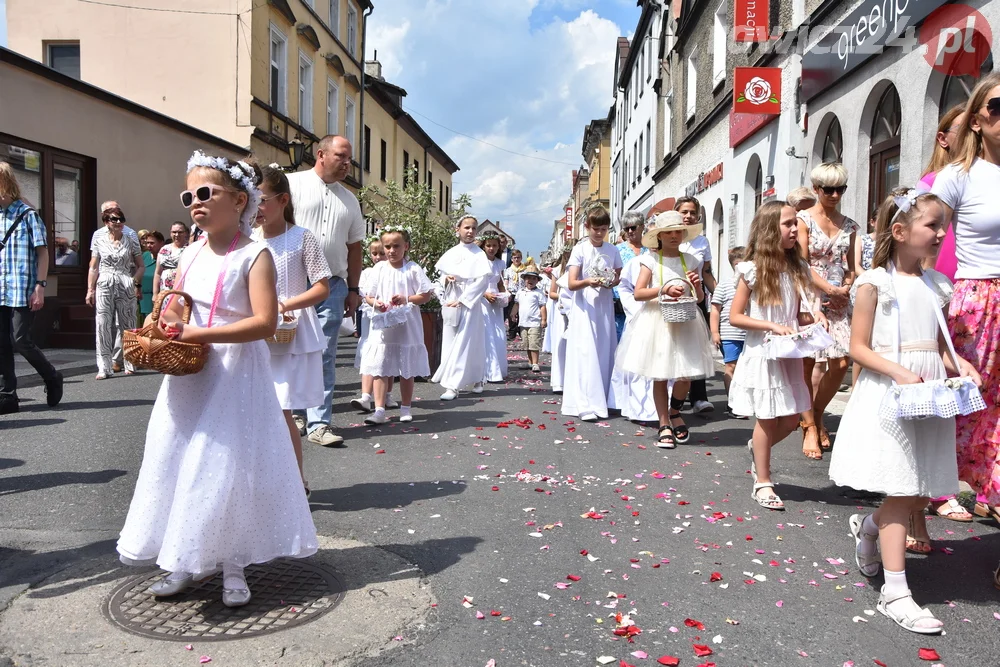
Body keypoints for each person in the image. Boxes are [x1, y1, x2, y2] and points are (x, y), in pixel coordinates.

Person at [117, 151, 317, 608]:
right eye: (189, 195)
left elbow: (265, 322)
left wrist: (197, 331)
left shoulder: (255, 254)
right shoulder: (187, 254)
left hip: (235, 373)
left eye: (206, 193)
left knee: (225, 466)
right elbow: (178, 306)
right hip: (191, 373)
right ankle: (183, 559)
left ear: (240, 200)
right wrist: (167, 321)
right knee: (180, 458)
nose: (195, 203)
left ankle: (233, 563)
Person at [829, 187, 979, 634]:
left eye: (943, 228)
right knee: (900, 485)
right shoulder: (875, 283)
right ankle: (896, 591)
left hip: (929, 390)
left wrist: (960, 363)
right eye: (932, 226)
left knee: (918, 489)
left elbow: (936, 344)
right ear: (899, 231)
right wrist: (896, 371)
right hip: (892, 392)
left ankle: (870, 528)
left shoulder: (937, 285)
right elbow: (857, 347)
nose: (940, 235)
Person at [932, 73, 1000, 578]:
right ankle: (898, 517)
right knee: (949, 416)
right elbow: (911, 234)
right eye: (997, 108)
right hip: (976, 308)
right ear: (977, 118)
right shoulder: (960, 174)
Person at [730, 201, 819, 510]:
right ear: (770, 230)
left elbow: (799, 313)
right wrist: (770, 324)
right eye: (788, 224)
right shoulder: (752, 270)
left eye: (796, 223)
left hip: (790, 351)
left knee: (792, 417)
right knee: (767, 417)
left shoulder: (798, 267)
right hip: (764, 351)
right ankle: (763, 482)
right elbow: (736, 316)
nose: (795, 229)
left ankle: (758, 449)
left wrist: (812, 321)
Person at [252, 164, 332, 495]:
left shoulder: (301, 238)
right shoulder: (248, 239)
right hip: (254, 332)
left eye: (261, 200)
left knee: (281, 408)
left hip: (288, 330)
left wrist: (285, 304)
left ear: (282, 200)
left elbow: (322, 287)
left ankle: (296, 482)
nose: (254, 209)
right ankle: (262, 482)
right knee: (254, 409)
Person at [288, 135, 365, 447]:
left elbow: (355, 248)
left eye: (349, 159)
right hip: (291, 281)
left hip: (332, 285)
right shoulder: (291, 186)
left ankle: (319, 424)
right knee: (287, 349)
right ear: (320, 154)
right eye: (341, 157)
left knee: (323, 353)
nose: (347, 164)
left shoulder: (350, 200)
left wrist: (354, 288)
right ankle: (291, 412)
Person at [616, 211, 715, 447]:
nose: (673, 235)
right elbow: (639, 293)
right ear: (659, 236)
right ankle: (663, 422)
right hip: (658, 321)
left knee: (685, 374)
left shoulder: (691, 260)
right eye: (668, 232)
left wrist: (697, 285)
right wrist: (663, 289)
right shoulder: (650, 261)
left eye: (677, 231)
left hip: (685, 321)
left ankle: (674, 410)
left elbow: (699, 297)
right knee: (660, 374)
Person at [796, 162, 858, 459]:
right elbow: (802, 263)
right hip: (809, 297)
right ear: (817, 189)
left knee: (842, 362)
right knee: (808, 364)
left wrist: (847, 284)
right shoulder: (802, 220)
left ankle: (817, 414)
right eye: (828, 189)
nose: (835, 195)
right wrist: (828, 289)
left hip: (839, 302)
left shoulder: (850, 225)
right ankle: (809, 426)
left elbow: (854, 265)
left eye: (840, 189)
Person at [0, 162, 62, 414]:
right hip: (1, 288)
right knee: (1, 343)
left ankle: (52, 377)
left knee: (20, 340)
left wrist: (40, 286)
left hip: (23, 289)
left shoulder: (28, 215)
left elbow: (43, 254)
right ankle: (7, 395)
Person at [361, 226, 435, 424]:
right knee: (379, 366)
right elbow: (368, 295)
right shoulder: (379, 269)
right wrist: (377, 303)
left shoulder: (412, 269)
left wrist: (407, 298)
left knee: (406, 367)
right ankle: (379, 409)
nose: (391, 251)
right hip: (384, 324)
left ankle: (405, 407)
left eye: (396, 246)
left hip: (407, 325)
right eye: (387, 246)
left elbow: (426, 294)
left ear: (406, 247)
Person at [562, 207, 622, 422]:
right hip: (585, 307)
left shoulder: (612, 250)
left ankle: (604, 397)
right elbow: (572, 282)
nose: (599, 233)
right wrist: (588, 281)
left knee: (604, 349)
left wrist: (611, 282)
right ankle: (584, 401)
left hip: (603, 306)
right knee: (586, 351)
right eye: (595, 229)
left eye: (603, 229)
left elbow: (617, 276)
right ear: (587, 227)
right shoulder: (580, 249)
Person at [432, 215, 493, 400]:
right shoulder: (450, 253)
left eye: (474, 228)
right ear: (457, 229)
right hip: (452, 297)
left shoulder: (479, 254)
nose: (470, 231)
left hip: (469, 302)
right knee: (450, 340)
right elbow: (438, 276)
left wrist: (464, 299)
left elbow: (482, 281)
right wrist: (446, 279)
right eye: (466, 227)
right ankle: (457, 379)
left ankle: (455, 384)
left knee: (468, 340)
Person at [86, 206, 143, 379]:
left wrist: (134, 281)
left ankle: (130, 361)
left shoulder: (131, 240)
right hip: (104, 281)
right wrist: (90, 289)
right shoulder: (99, 240)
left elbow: (141, 265)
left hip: (125, 280)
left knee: (129, 324)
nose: (118, 222)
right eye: (114, 219)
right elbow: (93, 267)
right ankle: (104, 367)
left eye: (121, 219)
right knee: (103, 324)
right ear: (106, 222)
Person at [673, 196, 718, 415]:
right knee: (673, 348)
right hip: (671, 300)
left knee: (697, 349)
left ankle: (699, 397)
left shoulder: (702, 242)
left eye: (692, 213)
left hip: (696, 300)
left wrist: (720, 296)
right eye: (684, 212)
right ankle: (673, 398)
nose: (689, 216)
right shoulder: (669, 238)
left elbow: (706, 273)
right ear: (676, 213)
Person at [610, 253, 657, 423]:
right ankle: (638, 407)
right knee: (637, 363)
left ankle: (661, 407)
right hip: (639, 317)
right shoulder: (638, 261)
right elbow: (625, 288)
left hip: (663, 318)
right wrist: (635, 310)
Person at [351, 237, 396, 412]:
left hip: (387, 316)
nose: (377, 257)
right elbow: (363, 292)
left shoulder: (391, 271)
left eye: (380, 253)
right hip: (370, 316)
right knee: (369, 355)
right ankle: (365, 396)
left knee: (388, 355)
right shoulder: (368, 272)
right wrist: (371, 301)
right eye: (374, 253)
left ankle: (387, 394)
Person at [923, 105, 966, 281]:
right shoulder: (930, 184)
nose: (973, 137)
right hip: (943, 280)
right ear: (943, 139)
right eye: (963, 130)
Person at [711, 246, 748, 419]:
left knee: (746, 368)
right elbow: (715, 309)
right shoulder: (724, 285)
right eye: (739, 264)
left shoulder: (753, 283)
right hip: (730, 334)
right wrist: (715, 332)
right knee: (731, 367)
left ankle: (745, 401)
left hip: (749, 334)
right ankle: (732, 403)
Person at [479, 231, 509, 383]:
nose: (491, 248)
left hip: (496, 300)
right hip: (482, 299)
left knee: (498, 333)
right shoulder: (478, 261)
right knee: (487, 333)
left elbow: (500, 282)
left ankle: (497, 368)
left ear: (499, 247)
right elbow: (473, 283)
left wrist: (504, 294)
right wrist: (485, 294)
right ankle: (485, 370)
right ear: (483, 246)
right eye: (488, 245)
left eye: (494, 246)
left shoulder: (500, 263)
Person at [614, 211, 647, 340]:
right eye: (626, 228)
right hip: (622, 303)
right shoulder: (617, 250)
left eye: (633, 227)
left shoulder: (650, 249)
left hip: (644, 301)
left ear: (642, 227)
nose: (630, 231)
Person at [548, 243, 573, 394]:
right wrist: (563, 296)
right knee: (560, 344)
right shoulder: (558, 271)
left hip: (575, 309)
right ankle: (559, 381)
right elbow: (552, 293)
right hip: (562, 310)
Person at [511, 269, 547, 372]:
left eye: (533, 279)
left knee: (534, 343)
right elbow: (517, 304)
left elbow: (542, 307)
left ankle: (535, 363)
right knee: (527, 343)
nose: (530, 280)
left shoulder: (538, 293)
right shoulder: (520, 292)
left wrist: (543, 319)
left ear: (537, 281)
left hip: (534, 322)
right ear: (524, 280)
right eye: (528, 278)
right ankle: (530, 362)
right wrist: (513, 313)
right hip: (523, 322)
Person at [154, 222, 190, 299]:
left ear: (185, 233)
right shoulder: (164, 249)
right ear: (170, 233)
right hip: (165, 291)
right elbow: (157, 273)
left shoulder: (190, 249)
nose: (177, 235)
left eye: (180, 232)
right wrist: (155, 293)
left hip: (182, 291)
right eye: (174, 232)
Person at [139, 231, 164, 322]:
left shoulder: (166, 257)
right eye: (147, 243)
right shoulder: (145, 256)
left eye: (152, 243)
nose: (149, 245)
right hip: (142, 298)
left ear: (161, 243)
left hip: (158, 298)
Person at [503, 249, 524, 340]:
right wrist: (507, 291)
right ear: (511, 259)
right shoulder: (508, 270)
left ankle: (521, 331)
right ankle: (512, 332)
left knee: (521, 313)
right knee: (511, 313)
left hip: (522, 293)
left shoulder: (525, 270)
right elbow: (506, 282)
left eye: (518, 258)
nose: (516, 260)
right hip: (512, 293)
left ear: (521, 258)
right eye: (514, 258)